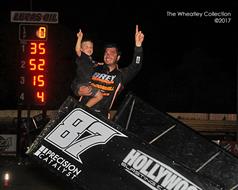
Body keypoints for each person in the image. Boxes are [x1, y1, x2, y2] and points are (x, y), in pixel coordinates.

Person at [71, 25, 144, 118]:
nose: (108, 55)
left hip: (101, 116)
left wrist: (138, 47)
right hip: (81, 111)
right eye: (106, 53)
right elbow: (75, 82)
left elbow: (136, 66)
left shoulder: (121, 75)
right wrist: (78, 91)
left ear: (118, 57)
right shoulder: (94, 66)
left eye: (112, 53)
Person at [72, 29, 103, 107]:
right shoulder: (82, 57)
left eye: (91, 47)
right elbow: (77, 50)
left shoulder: (90, 59)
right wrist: (79, 38)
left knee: (97, 96)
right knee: (99, 96)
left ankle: (84, 107)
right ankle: (84, 109)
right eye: (87, 47)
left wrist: (98, 64)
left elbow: (93, 64)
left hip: (87, 83)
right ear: (82, 49)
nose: (89, 49)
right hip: (82, 84)